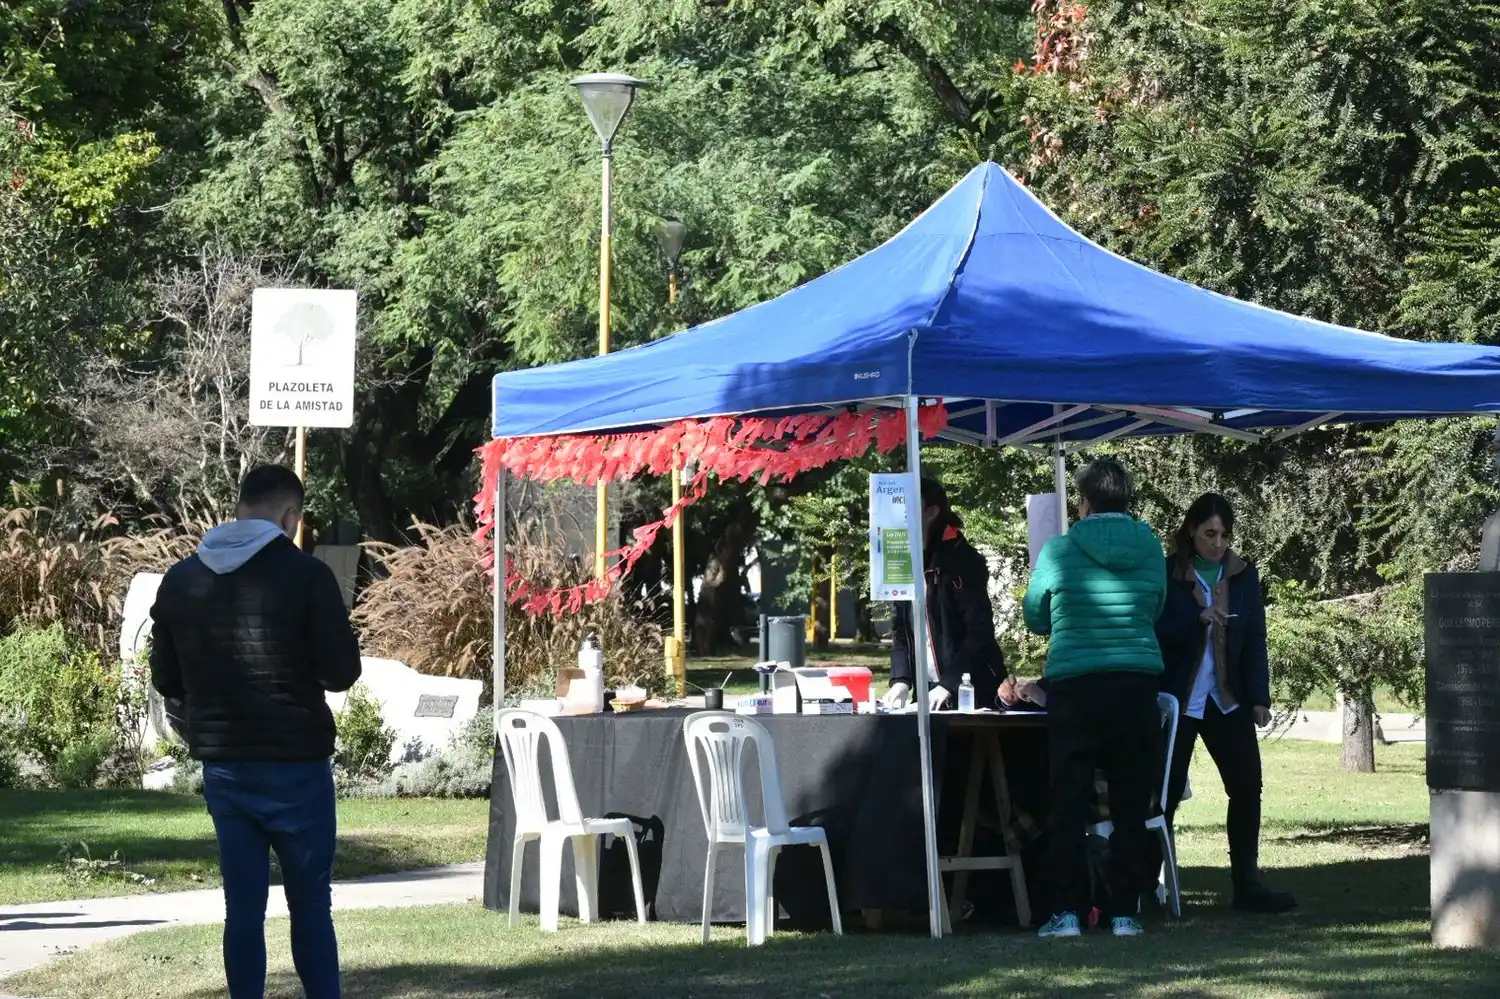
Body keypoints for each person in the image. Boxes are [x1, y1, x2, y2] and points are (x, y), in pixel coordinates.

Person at [150, 465, 362, 999]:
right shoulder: (307, 575)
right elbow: (342, 673)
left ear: (240, 505)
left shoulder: (182, 580)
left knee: (241, 909)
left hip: (225, 763)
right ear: (290, 516)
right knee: (310, 906)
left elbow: (166, 677)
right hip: (297, 762)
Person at [1022, 458, 1166, 938]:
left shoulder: (1059, 551)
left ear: (1082, 502)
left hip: (1076, 687)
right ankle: (1125, 911)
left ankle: (1065, 913)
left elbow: (1036, 617)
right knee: (1129, 805)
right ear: (1126, 500)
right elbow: (1157, 606)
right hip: (1135, 684)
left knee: (1068, 801)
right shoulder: (1150, 548)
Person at [1155, 493, 1296, 913]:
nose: (1218, 543)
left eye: (1225, 534)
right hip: (1180, 699)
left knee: (1247, 786)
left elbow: (1254, 637)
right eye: (1209, 533)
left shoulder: (1243, 575)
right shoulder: (1169, 573)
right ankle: (1146, 881)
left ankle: (1247, 884)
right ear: (1191, 532)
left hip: (1226, 699)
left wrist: (1258, 697)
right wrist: (1192, 620)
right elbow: (1155, 628)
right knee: (1165, 793)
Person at [883, 478, 1005, 711]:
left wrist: (950, 683)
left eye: (906, 505)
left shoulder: (962, 560)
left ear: (931, 512)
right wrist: (901, 679)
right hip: (929, 689)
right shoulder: (901, 559)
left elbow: (979, 631)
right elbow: (901, 629)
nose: (899, 514)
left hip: (973, 688)